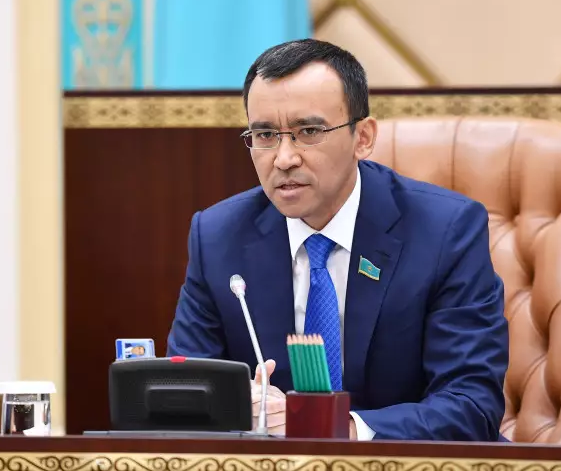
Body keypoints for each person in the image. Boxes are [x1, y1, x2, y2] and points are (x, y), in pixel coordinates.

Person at [166, 39, 509, 441]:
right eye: (265, 134)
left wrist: (338, 430)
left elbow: (472, 405)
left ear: (362, 137)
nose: (284, 158)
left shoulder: (445, 231)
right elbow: (184, 398)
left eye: (308, 131)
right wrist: (240, 409)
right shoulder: (218, 237)